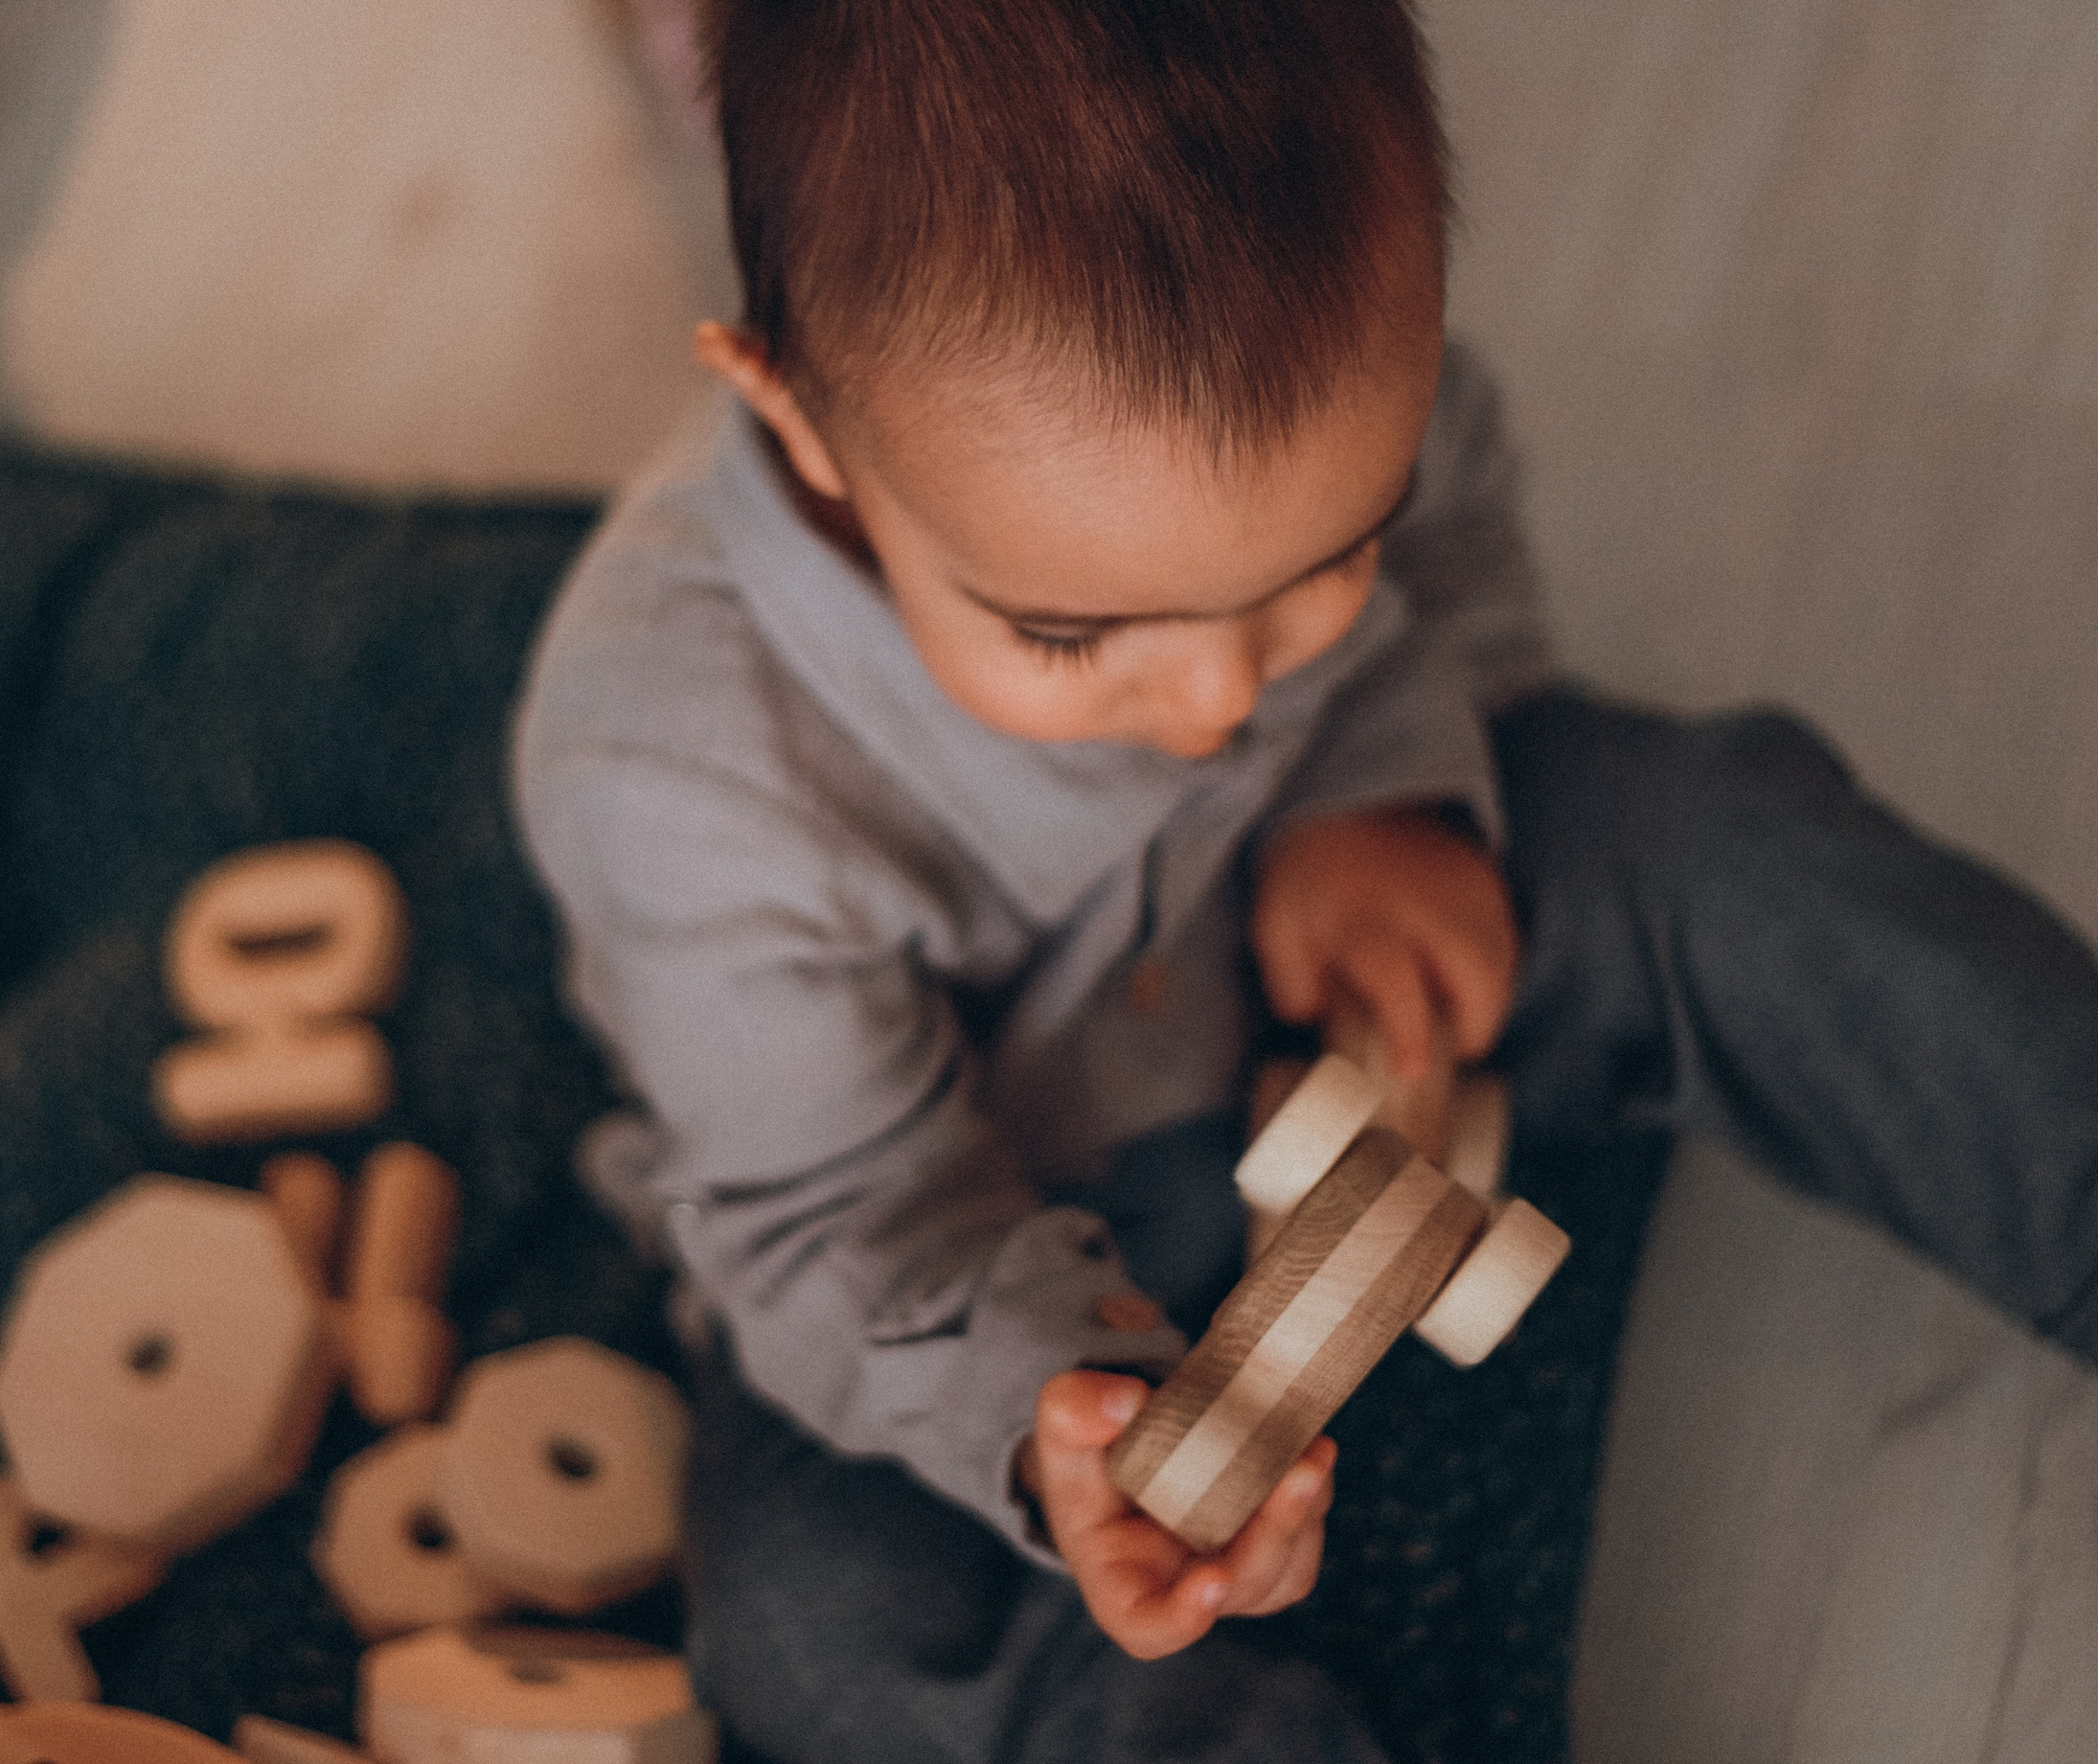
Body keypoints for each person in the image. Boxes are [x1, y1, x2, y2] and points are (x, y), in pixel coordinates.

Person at [513, 3, 2098, 1758]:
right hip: (964, 1224)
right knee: (824, 1621)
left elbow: (1460, 543)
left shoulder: (1322, 373)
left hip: (1355, 976)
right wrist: (1055, 1421)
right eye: (1071, 633)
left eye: (1325, 562)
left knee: (1713, 841)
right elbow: (835, 1218)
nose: (1218, 705)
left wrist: (1381, 786)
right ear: (797, 418)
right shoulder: (668, 760)